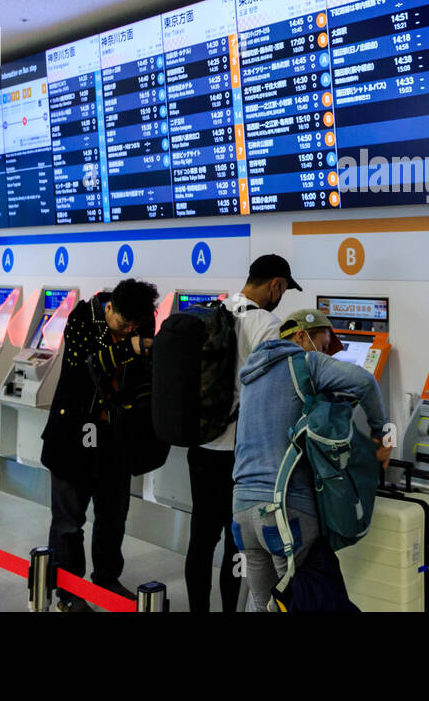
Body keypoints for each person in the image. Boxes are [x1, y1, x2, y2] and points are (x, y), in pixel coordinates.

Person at [232, 308, 392, 611]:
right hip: (283, 511)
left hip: (242, 512)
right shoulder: (303, 362)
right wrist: (382, 436)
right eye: (323, 343)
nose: (325, 353)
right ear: (301, 336)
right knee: (302, 601)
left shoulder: (251, 376)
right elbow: (366, 383)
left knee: (264, 604)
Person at [184, 254, 298, 613]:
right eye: (283, 289)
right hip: (240, 453)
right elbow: (279, 389)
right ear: (275, 285)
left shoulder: (212, 313)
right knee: (238, 546)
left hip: (201, 444)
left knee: (201, 539)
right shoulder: (266, 323)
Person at [40, 278, 158, 611]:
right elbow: (83, 364)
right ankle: (69, 591)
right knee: (68, 522)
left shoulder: (141, 323)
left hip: (115, 438)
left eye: (136, 325)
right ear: (110, 308)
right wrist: (131, 347)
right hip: (73, 436)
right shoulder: (82, 318)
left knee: (113, 517)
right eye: (124, 323)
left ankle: (106, 578)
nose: (130, 328)